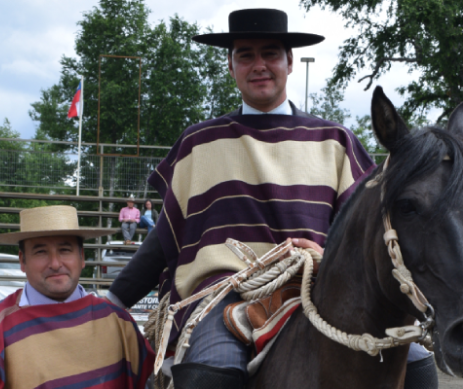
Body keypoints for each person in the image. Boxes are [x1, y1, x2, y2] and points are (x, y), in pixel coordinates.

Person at [107, 8, 436, 389]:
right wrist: (113, 300)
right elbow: (167, 238)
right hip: (226, 294)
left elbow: (368, 236)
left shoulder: (335, 141)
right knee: (209, 373)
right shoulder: (199, 144)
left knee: (418, 363)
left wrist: (321, 254)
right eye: (245, 54)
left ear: (290, 62)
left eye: (271, 53)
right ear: (231, 66)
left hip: (325, 290)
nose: (259, 65)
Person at [0, 205, 154, 389]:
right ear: (22, 261)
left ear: (82, 257)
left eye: (65, 250)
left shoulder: (117, 321)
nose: (55, 264)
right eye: (40, 252)